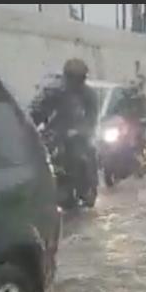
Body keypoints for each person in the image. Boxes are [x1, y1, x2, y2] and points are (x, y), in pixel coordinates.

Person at [28, 58, 100, 198]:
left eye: (78, 78)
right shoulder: (54, 91)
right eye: (72, 77)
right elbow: (36, 111)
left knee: (84, 156)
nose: (74, 82)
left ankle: (87, 188)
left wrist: (80, 130)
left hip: (78, 136)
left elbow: (92, 117)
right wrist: (31, 127)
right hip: (55, 133)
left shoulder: (88, 94)